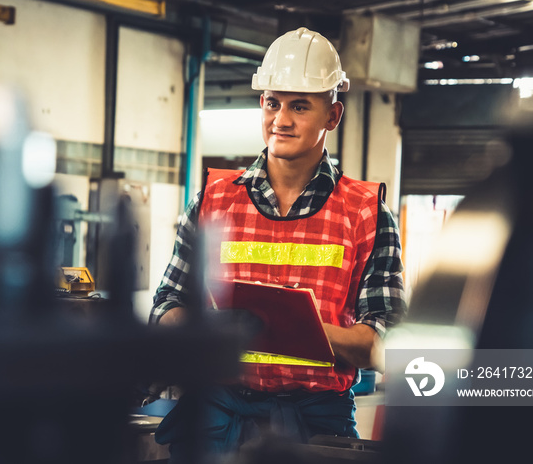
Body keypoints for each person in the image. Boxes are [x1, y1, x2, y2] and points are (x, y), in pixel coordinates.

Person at [149, 27, 407, 461]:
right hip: (215, 420)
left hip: (316, 427)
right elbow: (166, 303)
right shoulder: (213, 200)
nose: (281, 120)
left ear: (333, 115)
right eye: (272, 102)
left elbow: (386, 340)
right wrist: (205, 329)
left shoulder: (366, 213)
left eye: (300, 106)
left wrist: (304, 332)